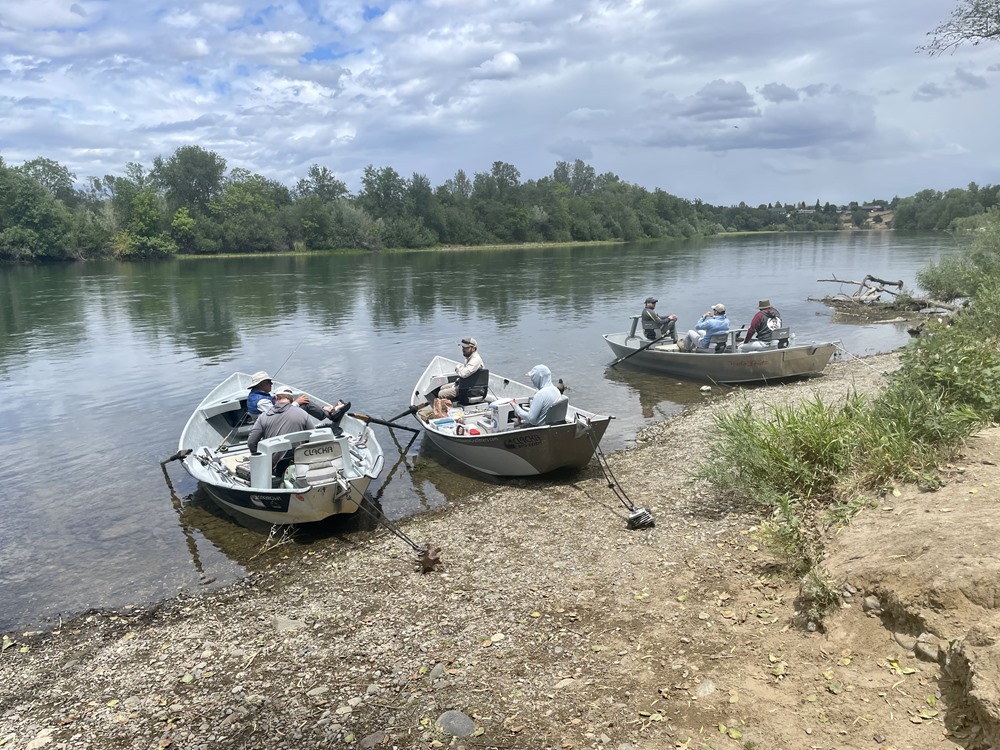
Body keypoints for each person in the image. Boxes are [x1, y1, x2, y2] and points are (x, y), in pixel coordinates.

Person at [247, 370, 347, 431]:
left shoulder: (257, 395)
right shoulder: (262, 401)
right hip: (276, 426)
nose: (271, 384)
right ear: (261, 385)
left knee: (294, 400)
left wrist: (292, 402)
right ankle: (329, 414)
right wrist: (296, 403)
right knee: (304, 403)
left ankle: (326, 411)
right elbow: (278, 415)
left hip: (275, 422)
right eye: (268, 382)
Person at [247, 387, 313, 472]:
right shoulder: (303, 414)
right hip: (301, 464)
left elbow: (251, 442)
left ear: (276, 398)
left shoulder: (263, 417)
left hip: (275, 468)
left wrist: (261, 459)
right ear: (292, 400)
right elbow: (314, 438)